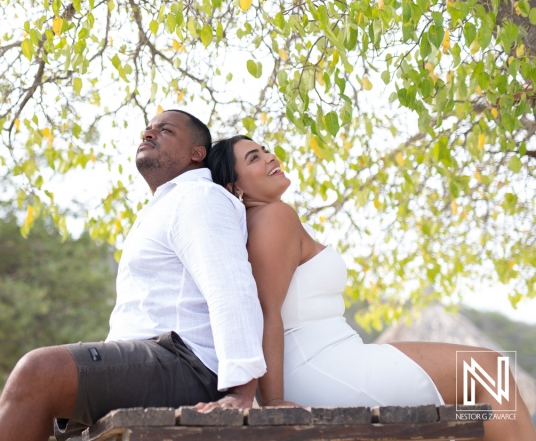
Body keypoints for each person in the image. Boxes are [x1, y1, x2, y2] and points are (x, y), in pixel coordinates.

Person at [207, 134, 536, 441]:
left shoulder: (266, 219)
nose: (269, 157)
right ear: (235, 185)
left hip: (337, 354)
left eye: (265, 150)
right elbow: (265, 311)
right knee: (488, 371)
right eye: (254, 158)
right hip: (320, 366)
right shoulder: (274, 216)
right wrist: (274, 398)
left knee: (477, 407)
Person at [0, 111, 266, 441]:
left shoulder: (199, 197)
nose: (148, 134)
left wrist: (241, 392)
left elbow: (231, 287)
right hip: (152, 362)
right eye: (147, 130)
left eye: (165, 130)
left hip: (187, 365)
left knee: (39, 372)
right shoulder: (167, 204)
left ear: (196, 153)